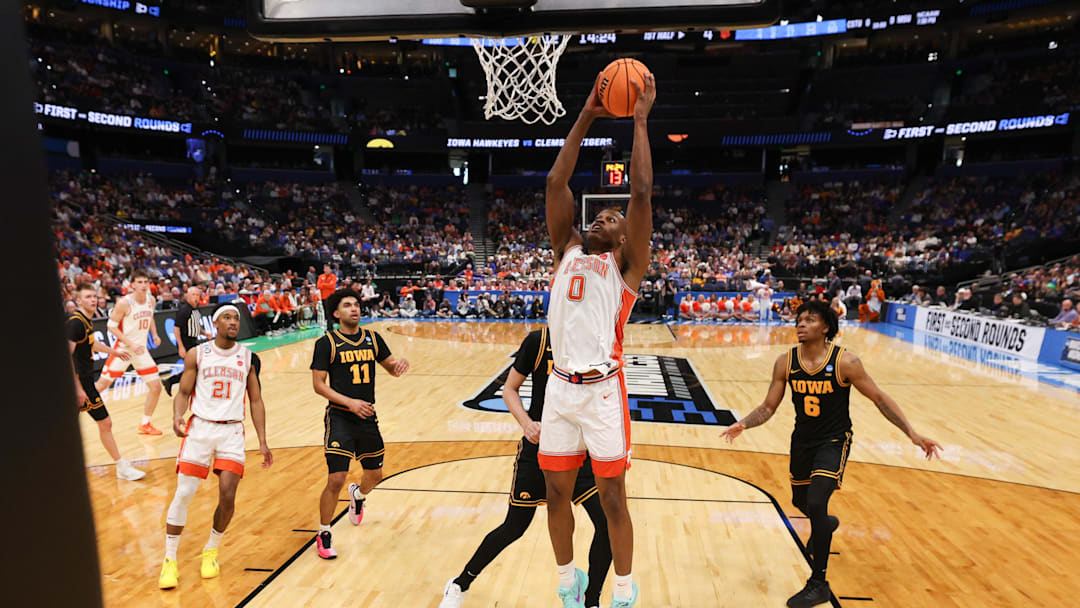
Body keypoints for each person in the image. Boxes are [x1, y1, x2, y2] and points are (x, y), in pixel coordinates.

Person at [720, 300, 942, 607]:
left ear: (826, 327)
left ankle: (818, 582)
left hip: (834, 440)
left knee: (815, 500)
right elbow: (769, 406)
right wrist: (744, 423)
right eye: (799, 319)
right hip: (802, 440)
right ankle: (825, 523)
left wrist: (912, 433)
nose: (800, 324)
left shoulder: (846, 362)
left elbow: (879, 399)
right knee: (802, 502)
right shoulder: (785, 362)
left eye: (809, 320)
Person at [540, 71, 655, 608]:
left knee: (612, 497)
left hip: (603, 391)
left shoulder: (627, 270)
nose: (600, 217)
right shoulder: (565, 248)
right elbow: (555, 185)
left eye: (611, 218)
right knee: (555, 493)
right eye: (599, 214)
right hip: (559, 389)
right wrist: (587, 112)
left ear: (626, 237)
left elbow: (642, 191)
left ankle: (625, 591)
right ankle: (568, 580)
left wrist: (638, 120)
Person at [440, 328, 611, 608]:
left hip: (580, 450)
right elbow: (510, 389)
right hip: (539, 449)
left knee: (606, 525)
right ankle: (460, 583)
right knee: (514, 527)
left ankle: (591, 601)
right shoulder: (539, 341)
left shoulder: (596, 341)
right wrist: (527, 423)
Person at [158, 303, 273, 590]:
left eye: (236, 318)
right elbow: (183, 391)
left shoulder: (248, 358)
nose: (233, 322)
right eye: (227, 317)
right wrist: (177, 416)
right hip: (200, 428)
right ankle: (169, 559)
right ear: (216, 324)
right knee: (184, 493)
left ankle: (211, 549)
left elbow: (256, 401)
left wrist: (262, 440)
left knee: (228, 494)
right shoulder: (199, 354)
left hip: (232, 430)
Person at [310, 289, 409, 559]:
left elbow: (389, 366)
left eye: (356, 304)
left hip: (367, 417)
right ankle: (324, 532)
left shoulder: (372, 339)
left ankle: (359, 496)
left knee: (375, 475)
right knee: (336, 477)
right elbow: (318, 385)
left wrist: (398, 364)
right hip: (340, 416)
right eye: (347, 305)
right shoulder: (327, 343)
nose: (354, 309)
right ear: (336, 313)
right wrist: (350, 402)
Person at [67, 283, 146, 481]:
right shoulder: (75, 323)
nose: (92, 300)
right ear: (78, 300)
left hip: (85, 381)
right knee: (105, 422)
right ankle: (121, 466)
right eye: (87, 297)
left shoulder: (85, 321)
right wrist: (77, 388)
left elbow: (91, 343)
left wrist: (114, 352)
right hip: (80, 382)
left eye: (94, 296)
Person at [96, 269, 164, 435]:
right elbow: (111, 326)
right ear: (132, 284)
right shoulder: (124, 303)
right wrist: (131, 344)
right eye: (139, 282)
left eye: (145, 282)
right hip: (123, 349)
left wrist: (154, 334)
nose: (143, 285)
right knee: (101, 386)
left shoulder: (151, 300)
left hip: (140, 350)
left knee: (156, 387)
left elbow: (150, 318)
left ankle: (145, 424)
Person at [164, 286, 213, 397]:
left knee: (196, 367)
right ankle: (184, 386)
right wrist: (181, 347)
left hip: (193, 341)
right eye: (193, 295)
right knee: (193, 367)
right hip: (186, 342)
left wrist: (205, 333)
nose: (195, 297)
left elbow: (195, 326)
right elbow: (176, 329)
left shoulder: (195, 309)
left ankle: (171, 381)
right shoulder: (184, 310)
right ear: (188, 296)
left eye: (197, 295)